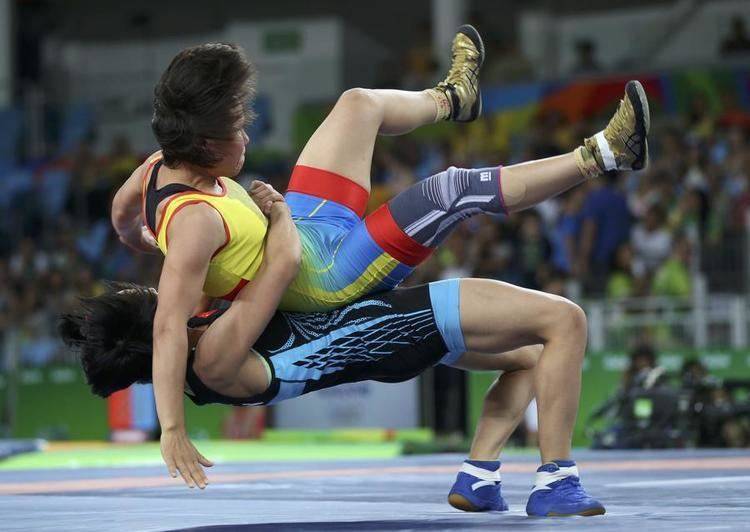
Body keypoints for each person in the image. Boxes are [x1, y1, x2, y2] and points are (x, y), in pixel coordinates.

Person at [110, 25, 650, 500]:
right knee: (450, 191)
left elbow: (122, 215)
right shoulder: (195, 223)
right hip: (322, 271)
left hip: (306, 225)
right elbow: (168, 325)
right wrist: (173, 428)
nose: (247, 135)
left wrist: (147, 237)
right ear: (204, 143)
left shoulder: (157, 167)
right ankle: (604, 153)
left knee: (357, 104)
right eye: (237, 129)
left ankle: (453, 98)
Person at [60, 275, 604, 517]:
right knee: (565, 320)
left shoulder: (196, 360)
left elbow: (201, 278)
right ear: (153, 330)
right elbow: (281, 263)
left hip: (387, 343)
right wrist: (274, 215)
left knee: (531, 362)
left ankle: (479, 477)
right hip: (401, 324)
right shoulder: (215, 352)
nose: (159, 288)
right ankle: (557, 478)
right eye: (146, 298)